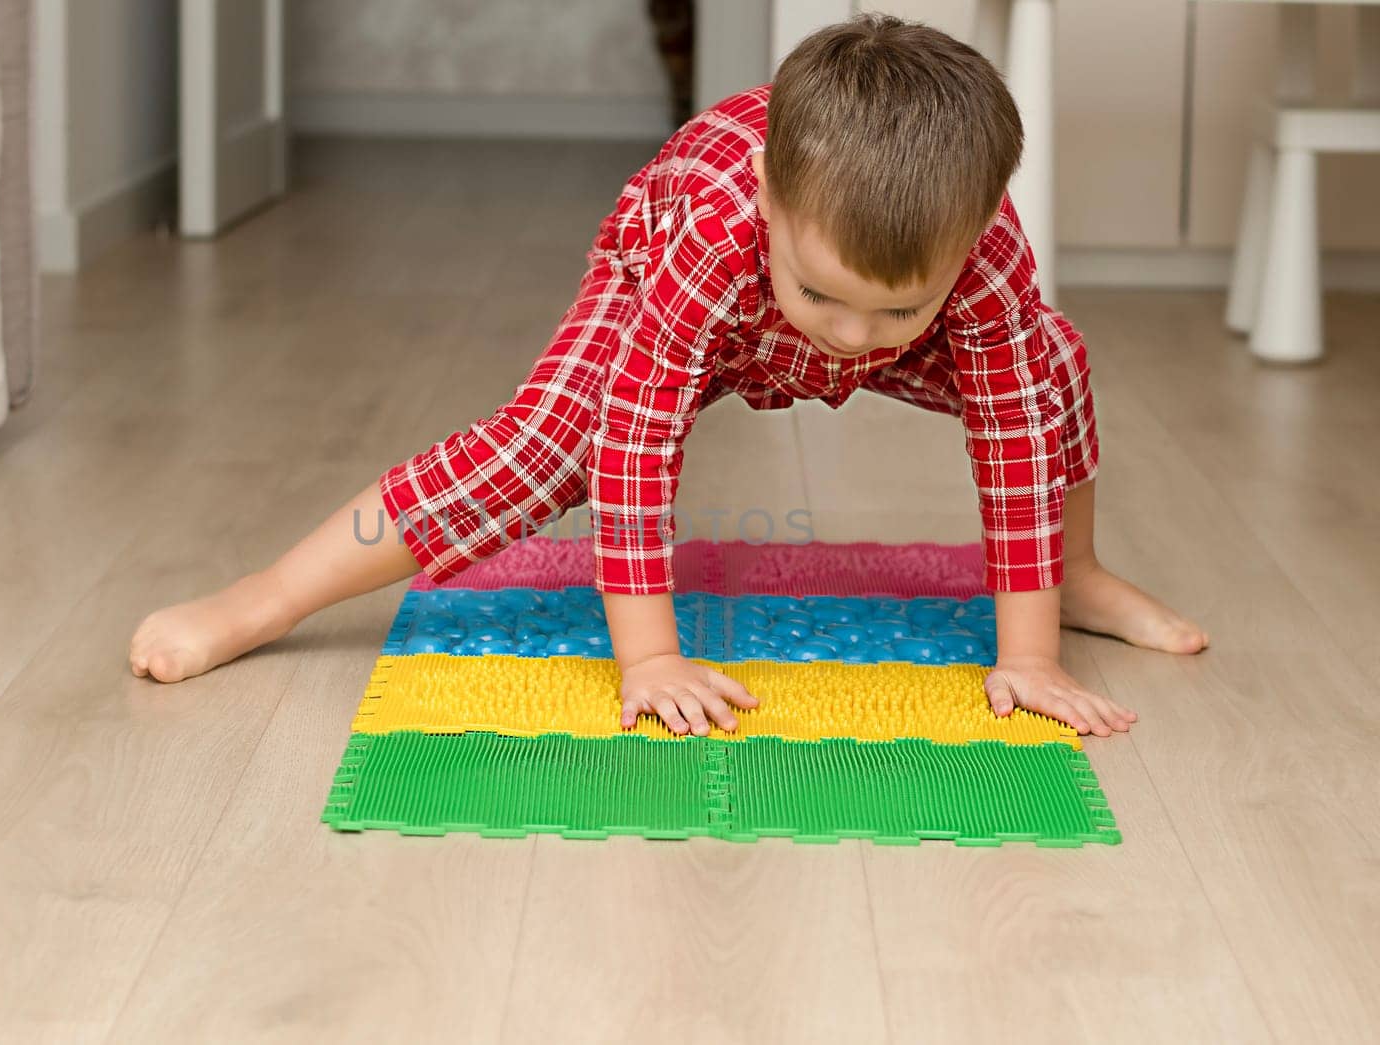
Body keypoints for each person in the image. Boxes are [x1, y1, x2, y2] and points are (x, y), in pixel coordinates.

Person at [129, 15, 1208, 739]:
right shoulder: (715, 230)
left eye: (894, 307)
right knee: (541, 448)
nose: (848, 337)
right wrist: (646, 657)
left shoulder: (984, 265)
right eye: (824, 294)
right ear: (774, 212)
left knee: (1047, 358)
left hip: (863, 290)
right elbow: (639, 448)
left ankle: (1077, 573)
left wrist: (1028, 653)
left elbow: (1014, 440)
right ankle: (264, 595)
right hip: (679, 293)